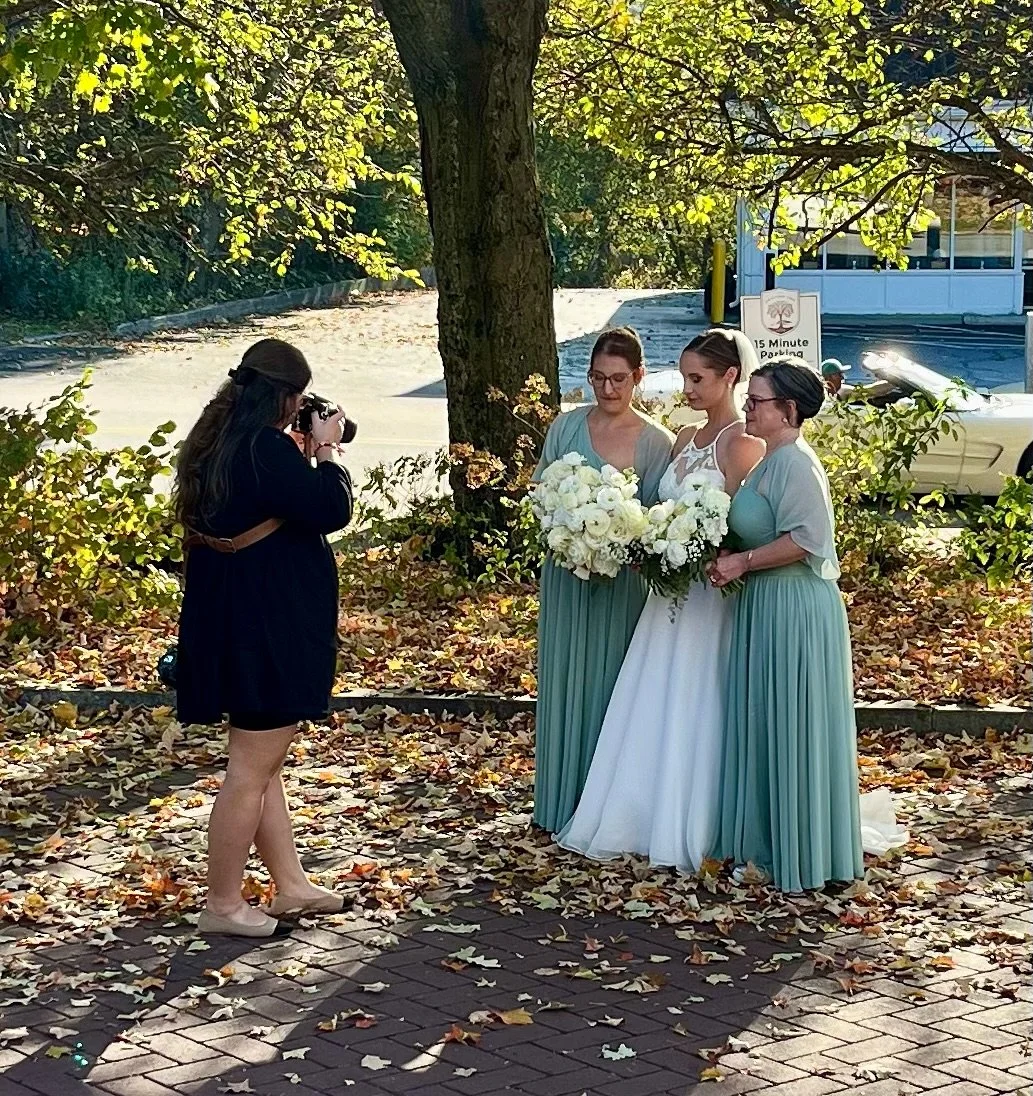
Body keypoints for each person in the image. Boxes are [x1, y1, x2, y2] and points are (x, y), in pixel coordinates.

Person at [555, 329, 764, 872]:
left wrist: (704, 548)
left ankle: (692, 820)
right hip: (665, 600)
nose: (687, 388)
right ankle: (638, 814)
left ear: (730, 378)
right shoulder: (684, 437)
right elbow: (655, 510)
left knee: (697, 701)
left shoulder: (744, 444)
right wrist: (646, 542)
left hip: (708, 600)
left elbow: (748, 525)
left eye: (697, 378)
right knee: (651, 701)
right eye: (685, 376)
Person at [174, 338, 354, 936]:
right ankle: (223, 904)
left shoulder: (218, 440)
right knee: (251, 769)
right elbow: (330, 508)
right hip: (267, 627)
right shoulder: (263, 448)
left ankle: (290, 884)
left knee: (261, 761)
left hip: (232, 619)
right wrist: (326, 451)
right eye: (299, 398)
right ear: (284, 396)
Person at [708, 356, 864, 892]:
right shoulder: (769, 461)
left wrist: (743, 562)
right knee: (765, 722)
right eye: (748, 399)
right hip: (764, 605)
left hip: (794, 609)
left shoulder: (796, 463)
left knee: (791, 724)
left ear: (789, 410)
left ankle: (798, 850)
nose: (748, 408)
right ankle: (766, 841)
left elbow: (806, 539)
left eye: (756, 401)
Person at [533, 327, 674, 833]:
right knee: (565, 683)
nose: (607, 389)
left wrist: (620, 543)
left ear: (639, 377)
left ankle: (606, 811)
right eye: (597, 378)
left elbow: (659, 522)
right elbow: (541, 494)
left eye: (618, 379)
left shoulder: (656, 442)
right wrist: (566, 531)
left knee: (613, 689)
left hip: (622, 587)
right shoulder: (565, 428)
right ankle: (558, 802)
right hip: (566, 578)